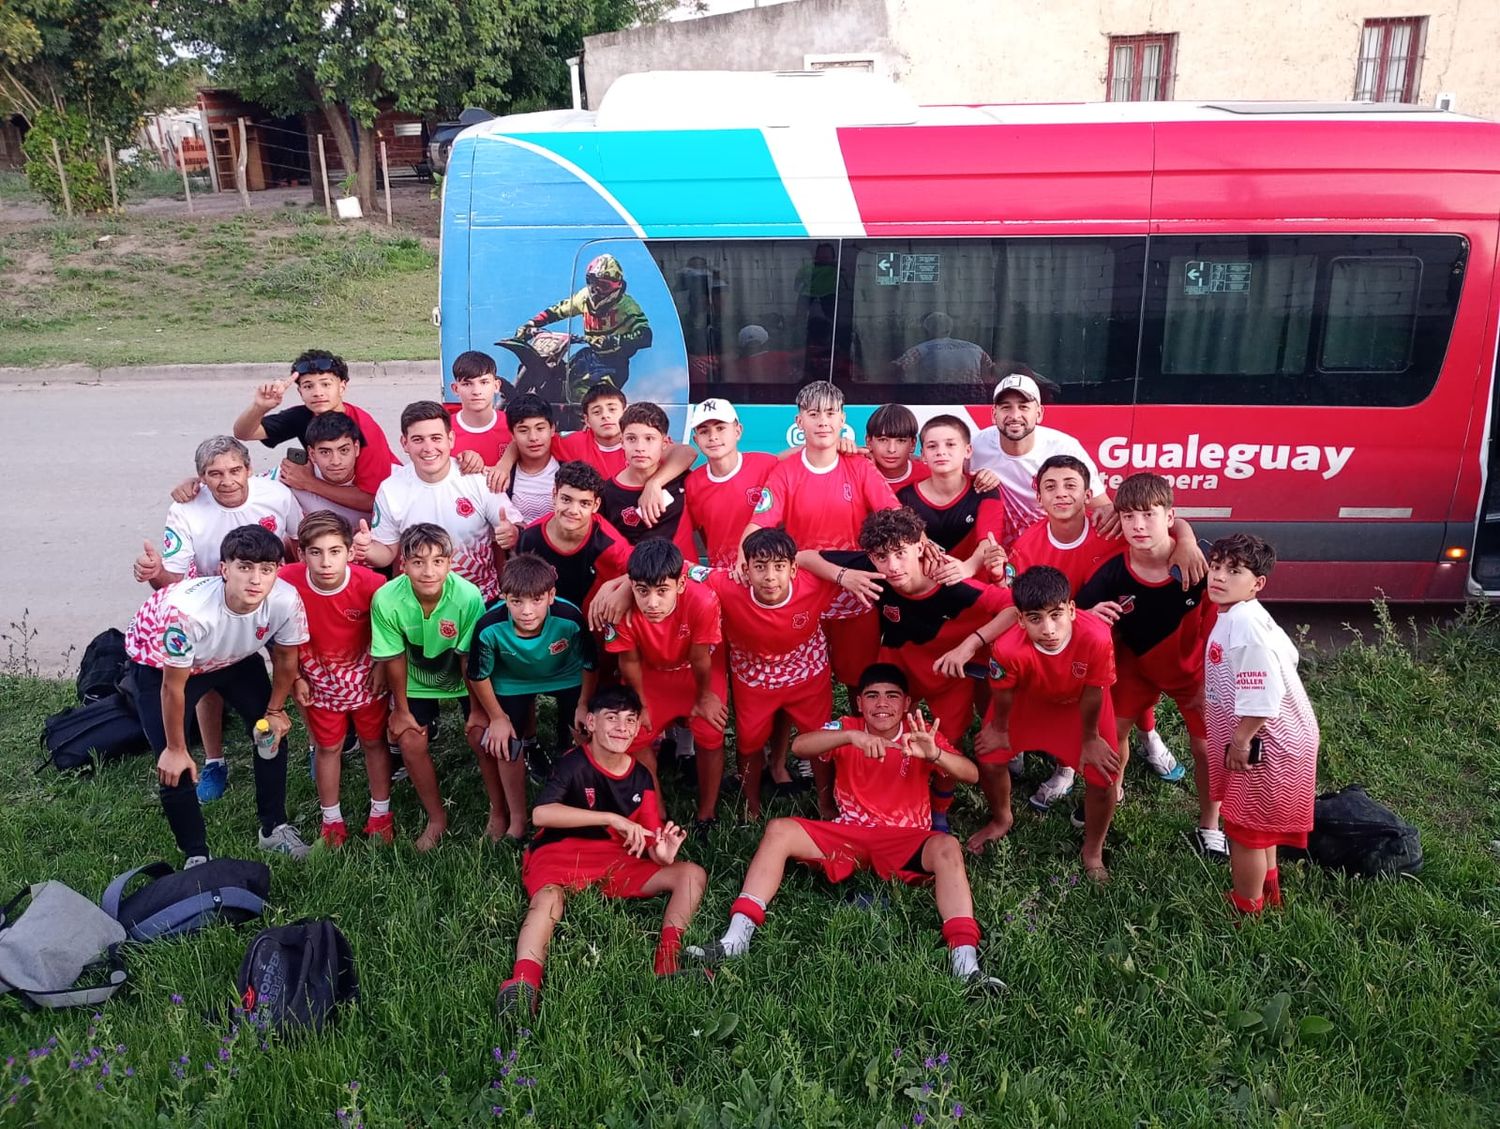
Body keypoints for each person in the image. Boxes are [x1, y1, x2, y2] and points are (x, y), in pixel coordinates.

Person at [688, 665, 1003, 992]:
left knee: (947, 847)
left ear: (907, 702)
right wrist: (850, 737)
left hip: (905, 839)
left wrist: (935, 754)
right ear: (860, 703)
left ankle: (965, 964)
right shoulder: (848, 727)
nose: (882, 703)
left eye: (892, 696)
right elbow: (801, 747)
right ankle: (736, 939)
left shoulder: (920, 732)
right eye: (872, 696)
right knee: (780, 830)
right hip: (849, 834)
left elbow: (972, 774)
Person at [496, 685, 705, 1019]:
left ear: (638, 728)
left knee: (691, 873)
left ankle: (667, 961)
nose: (622, 727)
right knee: (549, 898)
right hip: (560, 853)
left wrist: (662, 853)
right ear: (591, 723)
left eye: (630, 719)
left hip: (613, 858)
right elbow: (541, 815)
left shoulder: (641, 776)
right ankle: (523, 983)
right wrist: (611, 817)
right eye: (612, 718)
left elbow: (650, 841)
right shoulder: (573, 764)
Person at [804, 507, 1016, 828]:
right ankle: (881, 788)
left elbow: (1014, 608)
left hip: (949, 671)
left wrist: (969, 645)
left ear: (920, 545)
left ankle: (940, 810)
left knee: (947, 742)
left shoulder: (951, 581)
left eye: (901, 554)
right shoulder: (873, 568)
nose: (892, 567)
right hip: (899, 665)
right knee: (882, 727)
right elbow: (804, 556)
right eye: (881, 557)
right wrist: (843, 576)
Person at [124, 524, 312, 864]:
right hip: (163, 668)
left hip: (233, 657)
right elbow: (172, 686)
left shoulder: (285, 599)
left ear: (277, 572)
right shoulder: (187, 613)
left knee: (270, 734)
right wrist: (177, 747)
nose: (255, 579)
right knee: (172, 762)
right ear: (224, 570)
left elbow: (285, 658)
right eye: (244, 567)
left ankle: (274, 829)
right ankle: (196, 856)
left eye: (266, 569)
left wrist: (274, 710)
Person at [1009, 455, 1184, 811]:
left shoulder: (1111, 529)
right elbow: (1024, 606)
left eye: (1071, 485)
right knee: (1073, 691)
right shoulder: (1027, 546)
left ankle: (1149, 737)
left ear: (1089, 494)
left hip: (1126, 636)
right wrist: (1080, 617)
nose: (1061, 494)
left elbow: (1159, 526)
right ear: (1037, 496)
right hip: (1064, 635)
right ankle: (1065, 767)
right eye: (1050, 487)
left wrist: (1188, 539)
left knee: (1131, 689)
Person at [133, 435, 303, 804]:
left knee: (296, 662)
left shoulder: (275, 494)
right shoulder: (186, 508)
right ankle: (214, 761)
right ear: (200, 478)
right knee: (209, 682)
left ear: (249, 469)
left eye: (234, 470)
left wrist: (293, 585)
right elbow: (171, 583)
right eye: (215, 473)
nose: (226, 481)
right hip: (215, 605)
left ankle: (316, 742)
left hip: (270, 595)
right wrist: (153, 572)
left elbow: (293, 542)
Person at [1077, 474, 1224, 858]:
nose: (1138, 526)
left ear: (1170, 516)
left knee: (1207, 749)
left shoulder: (1198, 567)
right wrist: (1086, 615)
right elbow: (1074, 613)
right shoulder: (1112, 572)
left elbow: (1222, 628)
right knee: (1114, 737)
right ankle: (1114, 793)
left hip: (1192, 673)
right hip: (1137, 669)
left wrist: (1215, 678)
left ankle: (1210, 825)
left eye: (1148, 515)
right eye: (1128, 517)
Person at [971, 567, 1121, 875]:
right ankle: (1002, 818)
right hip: (1029, 700)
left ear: (1072, 610)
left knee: (1104, 776)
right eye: (1036, 618)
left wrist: (1090, 738)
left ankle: (1092, 850)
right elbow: (1002, 691)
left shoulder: (1096, 636)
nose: (1049, 629)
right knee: (988, 756)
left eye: (1056, 615)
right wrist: (1000, 728)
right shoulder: (1006, 647)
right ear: (1021, 619)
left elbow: (1095, 692)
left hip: (1080, 707)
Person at [1203, 534, 1320, 915]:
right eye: (1216, 566)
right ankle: (1269, 891)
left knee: (1244, 832)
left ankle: (1246, 908)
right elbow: (1292, 656)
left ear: (1257, 582)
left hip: (1265, 745)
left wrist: (1239, 742)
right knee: (1259, 824)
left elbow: (1263, 699)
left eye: (1234, 571)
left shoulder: (1245, 628)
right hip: (1280, 739)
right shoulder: (1246, 615)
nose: (1219, 577)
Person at [688, 529, 835, 820]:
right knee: (749, 741)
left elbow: (861, 563)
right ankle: (750, 806)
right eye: (760, 566)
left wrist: (843, 574)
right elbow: (682, 568)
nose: (770, 576)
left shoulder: (815, 583)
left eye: (779, 566)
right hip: (753, 675)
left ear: (794, 569)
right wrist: (621, 583)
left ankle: (828, 804)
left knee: (822, 739)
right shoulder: (727, 584)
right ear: (745, 568)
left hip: (807, 670)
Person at [369, 523, 488, 851]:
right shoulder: (387, 598)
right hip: (416, 678)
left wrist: (477, 710)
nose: (428, 571)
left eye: (438, 561)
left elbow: (469, 659)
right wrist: (401, 711)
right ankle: (436, 818)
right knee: (409, 740)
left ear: (451, 563)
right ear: (402, 565)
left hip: (461, 675)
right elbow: (393, 658)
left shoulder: (467, 595)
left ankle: (498, 812)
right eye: (418, 561)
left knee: (483, 735)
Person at [280, 511, 393, 847]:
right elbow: (278, 635)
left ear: (349, 552)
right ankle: (331, 821)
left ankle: (381, 814)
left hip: (366, 680)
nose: (325, 562)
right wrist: (295, 677)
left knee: (374, 743)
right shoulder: (286, 581)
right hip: (318, 684)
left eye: (334, 551)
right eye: (315, 552)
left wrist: (382, 668)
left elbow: (387, 633)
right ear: (301, 554)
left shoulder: (373, 585)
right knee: (328, 748)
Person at [466, 553, 598, 838]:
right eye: (517, 601)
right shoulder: (489, 625)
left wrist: (584, 703)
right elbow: (479, 675)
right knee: (505, 742)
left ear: (551, 595)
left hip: (564, 675)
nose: (527, 611)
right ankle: (516, 818)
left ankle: (577, 799)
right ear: (504, 597)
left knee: (584, 729)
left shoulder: (570, 617)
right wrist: (497, 717)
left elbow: (589, 664)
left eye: (536, 600)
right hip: (512, 681)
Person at [605, 538, 728, 833]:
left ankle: (707, 812)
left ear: (680, 584)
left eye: (662, 591)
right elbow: (629, 662)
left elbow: (701, 658)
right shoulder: (622, 609)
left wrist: (705, 697)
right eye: (642, 591)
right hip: (650, 673)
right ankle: (655, 808)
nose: (652, 602)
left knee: (711, 728)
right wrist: (641, 703)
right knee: (634, 733)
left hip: (697, 671)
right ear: (631, 586)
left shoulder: (703, 600)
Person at [359, 401, 522, 604]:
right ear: (404, 443)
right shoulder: (391, 489)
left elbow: (513, 528)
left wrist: (512, 533)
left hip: (479, 601)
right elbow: (386, 554)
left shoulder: (478, 479)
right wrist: (367, 550)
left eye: (436, 438)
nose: (428, 448)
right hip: (417, 604)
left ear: (450, 439)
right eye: (418, 439)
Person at [231, 349, 399, 514]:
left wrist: (308, 482)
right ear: (300, 392)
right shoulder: (302, 415)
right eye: (308, 386)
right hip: (334, 483)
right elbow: (244, 433)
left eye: (326, 384)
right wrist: (259, 407)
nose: (318, 393)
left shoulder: (364, 428)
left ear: (342, 387)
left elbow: (373, 500)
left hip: (382, 495)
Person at [516, 253, 653, 391]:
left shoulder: (626, 305)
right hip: (590, 355)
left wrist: (616, 340)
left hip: (614, 364)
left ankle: (583, 411)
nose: (596, 290)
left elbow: (645, 335)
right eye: (593, 283)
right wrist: (532, 324)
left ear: (616, 287)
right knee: (559, 376)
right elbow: (557, 311)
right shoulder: (583, 297)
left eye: (604, 286)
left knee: (584, 392)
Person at [514, 461, 632, 620]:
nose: (573, 511)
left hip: (594, 624)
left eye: (584, 503)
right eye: (566, 499)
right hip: (547, 624)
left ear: (596, 505)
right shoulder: (530, 538)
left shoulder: (608, 544)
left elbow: (645, 571)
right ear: (554, 495)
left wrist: (624, 587)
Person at [899, 414, 1007, 581]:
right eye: (932, 446)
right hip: (926, 586)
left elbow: (988, 540)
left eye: (950, 444)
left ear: (968, 450)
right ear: (923, 455)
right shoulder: (906, 497)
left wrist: (966, 568)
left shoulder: (984, 491)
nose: (941, 452)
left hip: (973, 585)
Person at [680, 398, 779, 569]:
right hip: (723, 578)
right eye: (704, 431)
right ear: (696, 440)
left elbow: (803, 457)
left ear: (738, 431)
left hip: (767, 577)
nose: (713, 437)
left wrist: (836, 444)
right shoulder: (692, 484)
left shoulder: (766, 465)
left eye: (720, 428)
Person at [601, 402, 696, 556]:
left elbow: (688, 452)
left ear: (665, 443)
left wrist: (654, 483)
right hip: (634, 578)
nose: (640, 447)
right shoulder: (607, 493)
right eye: (631, 439)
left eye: (649, 439)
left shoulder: (683, 480)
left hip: (684, 576)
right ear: (622, 442)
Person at [274, 412, 373, 529]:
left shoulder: (383, 478)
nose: (336, 461)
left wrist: (309, 482)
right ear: (312, 454)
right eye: (325, 452)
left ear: (356, 449)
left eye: (344, 450)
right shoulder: (291, 475)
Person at [488, 393, 560, 526]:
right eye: (523, 430)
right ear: (512, 435)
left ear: (552, 429)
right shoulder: (503, 475)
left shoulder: (566, 466)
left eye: (540, 428)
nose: (533, 437)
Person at [893, 312, 993, 395]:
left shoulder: (920, 349)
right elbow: (991, 371)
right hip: (974, 400)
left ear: (926, 330)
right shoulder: (975, 348)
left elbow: (898, 367)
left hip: (939, 401)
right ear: (950, 329)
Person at [448, 350, 512, 471]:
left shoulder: (513, 426)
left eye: (484, 382)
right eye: (467, 384)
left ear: (496, 386)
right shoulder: (443, 430)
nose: (476, 391)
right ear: (455, 389)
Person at [864, 403, 930, 492]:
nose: (891, 449)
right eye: (883, 440)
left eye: (901, 441)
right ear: (869, 442)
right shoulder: (855, 474)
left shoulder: (930, 475)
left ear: (913, 444)